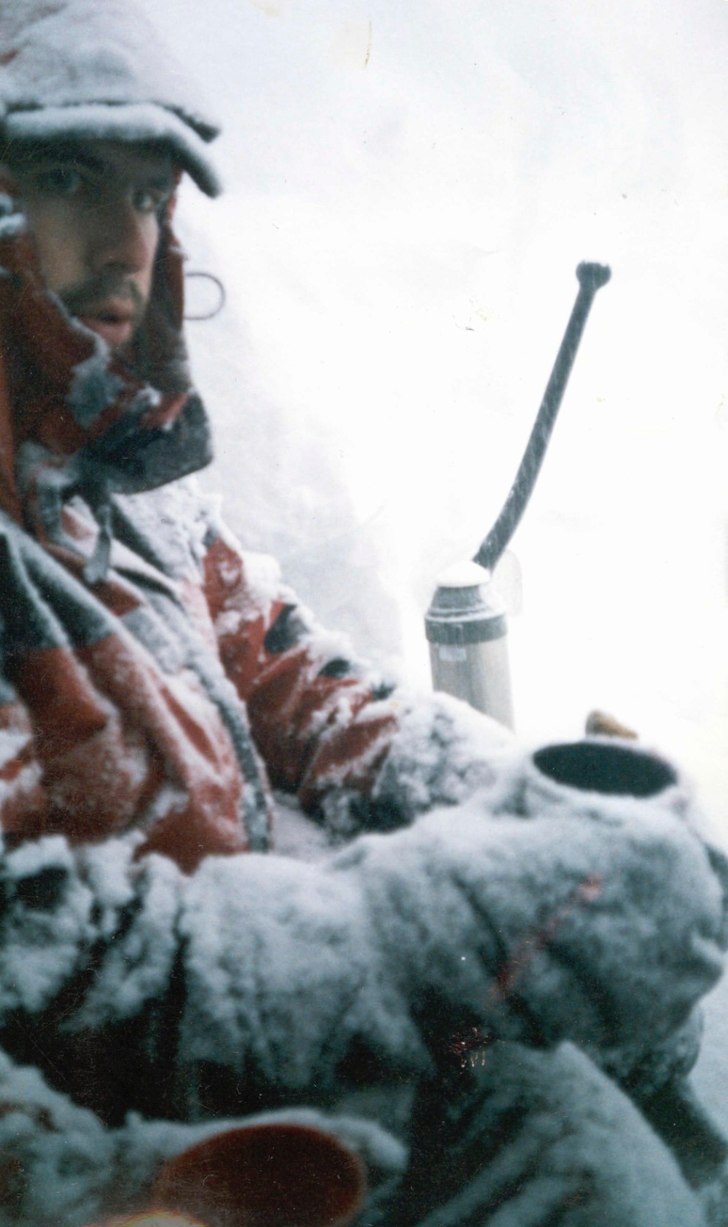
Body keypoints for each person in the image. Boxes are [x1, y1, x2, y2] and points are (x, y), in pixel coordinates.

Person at [0, 3, 725, 1225]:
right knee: (553, 1146)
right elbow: (40, 960)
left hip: (263, 1022)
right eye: (66, 177)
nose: (126, 242)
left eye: (149, 194)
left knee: (556, 1062)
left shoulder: (116, 478)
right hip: (152, 1120)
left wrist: (513, 806)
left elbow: (288, 672)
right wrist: (438, 924)